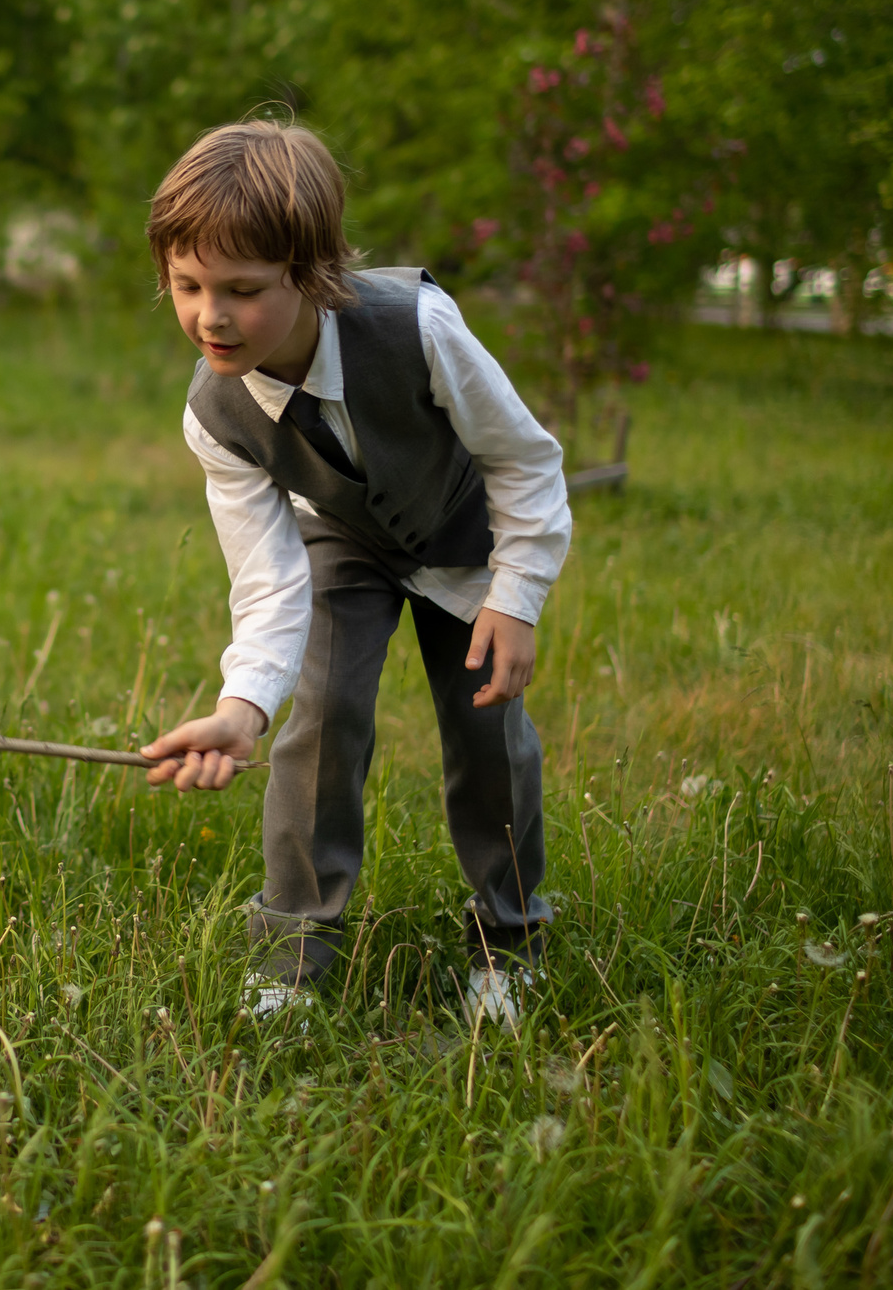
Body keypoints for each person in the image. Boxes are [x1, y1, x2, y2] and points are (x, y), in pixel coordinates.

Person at [135, 121, 570, 1033]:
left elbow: (525, 460)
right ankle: (293, 958)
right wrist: (243, 706)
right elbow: (265, 580)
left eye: (243, 291)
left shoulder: (418, 326)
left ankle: (510, 940)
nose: (210, 315)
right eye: (188, 286)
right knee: (320, 724)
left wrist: (515, 597)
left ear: (313, 273)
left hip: (461, 536)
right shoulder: (215, 411)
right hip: (339, 541)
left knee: (489, 739)